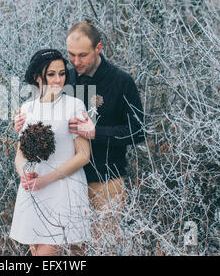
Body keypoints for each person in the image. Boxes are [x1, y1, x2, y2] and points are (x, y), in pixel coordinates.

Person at [14, 22, 145, 250]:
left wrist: (96, 133)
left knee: (104, 248)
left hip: (105, 180)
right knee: (74, 251)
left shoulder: (121, 82)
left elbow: (138, 131)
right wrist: (24, 127)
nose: (76, 61)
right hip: (67, 184)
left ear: (98, 48)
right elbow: (50, 116)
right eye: (71, 55)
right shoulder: (65, 79)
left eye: (82, 55)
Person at [9, 49, 91, 256]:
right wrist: (23, 173)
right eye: (51, 74)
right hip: (34, 189)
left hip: (64, 187)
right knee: (36, 252)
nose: (58, 80)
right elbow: (20, 154)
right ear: (38, 77)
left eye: (62, 73)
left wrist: (47, 179)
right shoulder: (26, 109)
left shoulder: (74, 105)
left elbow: (83, 155)